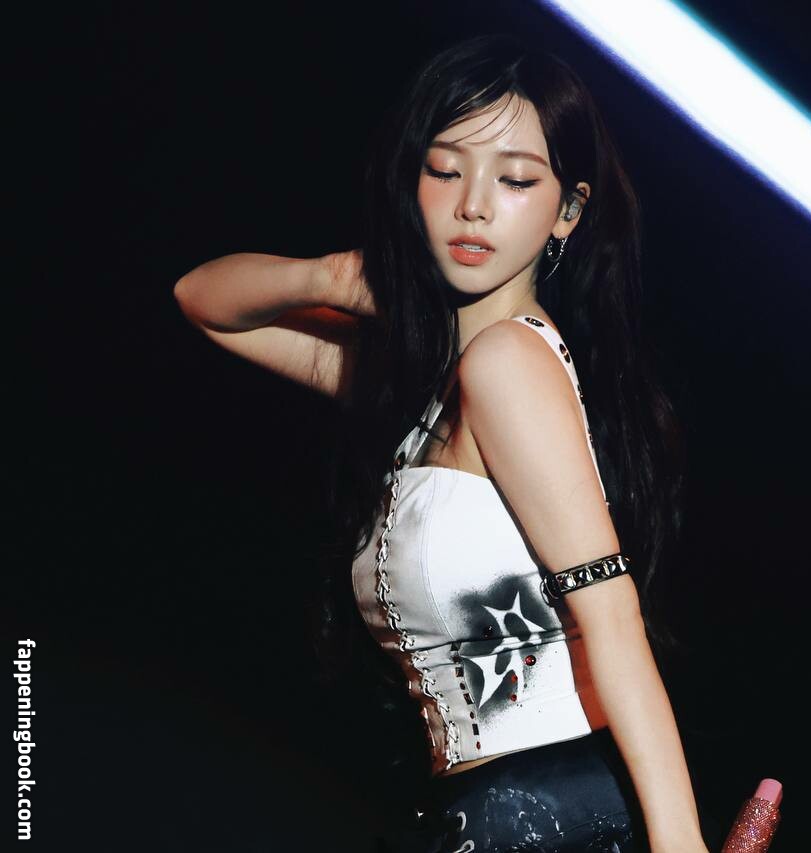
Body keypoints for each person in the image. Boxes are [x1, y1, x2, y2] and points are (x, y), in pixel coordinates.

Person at [174, 33, 708, 853]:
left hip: (550, 810)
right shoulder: (426, 382)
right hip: (486, 813)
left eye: (516, 179)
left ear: (568, 212)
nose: (474, 206)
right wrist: (334, 276)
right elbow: (203, 299)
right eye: (445, 169)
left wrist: (681, 844)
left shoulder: (507, 363)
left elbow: (611, 611)